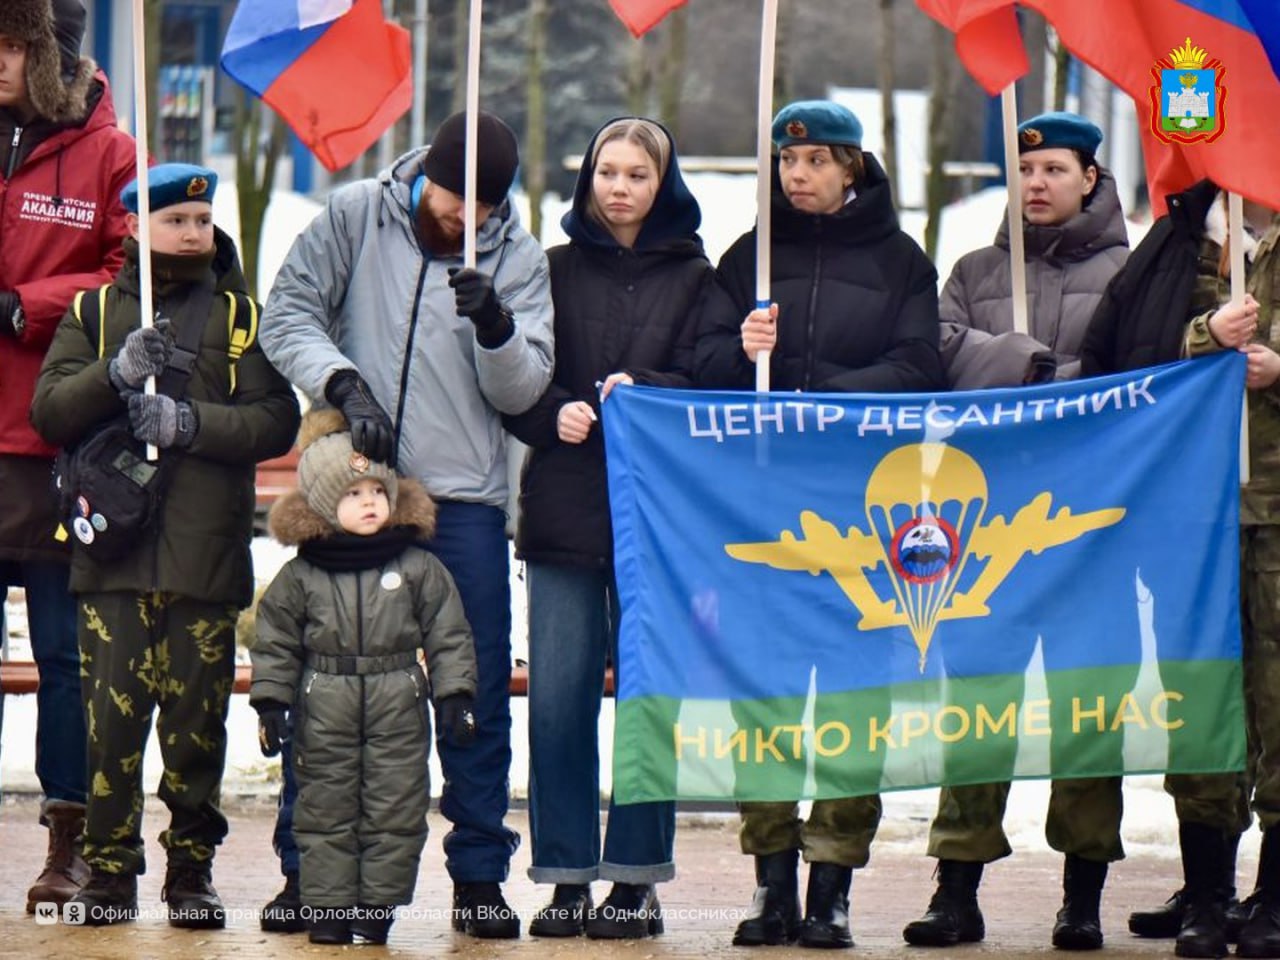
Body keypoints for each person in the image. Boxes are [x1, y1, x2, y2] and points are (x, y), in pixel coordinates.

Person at [258, 109, 554, 938]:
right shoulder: (355, 215)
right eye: (457, 199)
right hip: (360, 482)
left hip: (462, 497)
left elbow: (526, 390)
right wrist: (342, 383)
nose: (469, 219)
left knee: (475, 687)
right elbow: (288, 313)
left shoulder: (519, 258)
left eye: (486, 209)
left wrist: (494, 326)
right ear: (428, 173)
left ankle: (479, 875)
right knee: (331, 686)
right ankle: (303, 871)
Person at [695, 100, 944, 949]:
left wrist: (821, 402)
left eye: (811, 163)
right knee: (763, 699)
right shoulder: (748, 257)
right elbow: (700, 365)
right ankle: (771, 885)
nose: (794, 176)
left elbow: (920, 367)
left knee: (852, 700)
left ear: (851, 167)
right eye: (783, 163)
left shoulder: (902, 261)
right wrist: (741, 345)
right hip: (761, 515)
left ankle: (832, 884)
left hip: (861, 516)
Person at [29, 163, 301, 926]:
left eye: (200, 221)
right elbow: (48, 411)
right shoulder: (92, 311)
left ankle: (191, 873)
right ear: (134, 228)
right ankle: (110, 874)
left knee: (195, 732)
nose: (191, 232)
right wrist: (113, 375)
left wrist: (191, 425)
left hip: (202, 562)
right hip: (111, 560)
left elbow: (277, 419)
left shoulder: (242, 318)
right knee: (109, 732)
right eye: (176, 221)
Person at [903, 112, 1131, 953]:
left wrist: (1056, 381)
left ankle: (1083, 894)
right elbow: (938, 348)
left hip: (1086, 524)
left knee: (1085, 710)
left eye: (1055, 170)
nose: (1036, 184)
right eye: (1025, 170)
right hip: (988, 525)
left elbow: (1133, 372)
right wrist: (1024, 363)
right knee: (978, 708)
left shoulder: (1128, 272)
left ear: (1090, 181)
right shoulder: (972, 269)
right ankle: (956, 887)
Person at [504, 117, 713, 939]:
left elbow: (715, 377)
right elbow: (514, 380)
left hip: (658, 522)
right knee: (557, 703)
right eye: (606, 172)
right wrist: (552, 413)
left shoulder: (700, 278)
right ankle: (564, 877)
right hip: (562, 513)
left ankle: (634, 879)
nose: (619, 188)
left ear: (664, 186)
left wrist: (649, 390)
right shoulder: (546, 270)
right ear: (587, 179)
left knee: (647, 705)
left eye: (637, 174)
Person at [1083, 184, 1273, 959]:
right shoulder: (1176, 241)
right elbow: (1126, 356)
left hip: (1274, 507)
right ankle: (1207, 891)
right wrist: (1203, 336)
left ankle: (1273, 900)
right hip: (1189, 512)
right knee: (1201, 699)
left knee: (1277, 701)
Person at [0, 0, 135, 911]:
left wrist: (29, 303)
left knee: (64, 657)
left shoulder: (112, 154)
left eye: (12, 44)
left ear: (52, 55)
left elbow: (139, 273)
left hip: (57, 443)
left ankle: (70, 843)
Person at [250, 410, 479, 946]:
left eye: (377, 489)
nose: (370, 501)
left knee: (395, 806)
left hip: (397, 697)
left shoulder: (420, 568)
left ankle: (376, 908)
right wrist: (270, 703)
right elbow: (277, 640)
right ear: (327, 506)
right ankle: (326, 907)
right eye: (353, 494)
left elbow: (448, 633)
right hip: (325, 701)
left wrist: (455, 695)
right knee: (324, 804)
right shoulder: (302, 576)